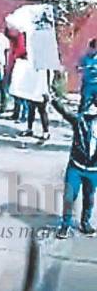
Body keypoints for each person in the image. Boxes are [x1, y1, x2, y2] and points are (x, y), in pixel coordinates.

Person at [52, 98, 97, 239]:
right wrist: (54, 100)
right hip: (76, 166)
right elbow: (65, 112)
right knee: (69, 196)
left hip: (94, 170)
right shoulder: (82, 120)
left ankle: (85, 223)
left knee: (89, 197)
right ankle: (65, 225)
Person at [78, 38, 97, 113]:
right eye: (94, 48)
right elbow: (78, 68)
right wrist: (84, 68)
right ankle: (78, 120)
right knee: (84, 103)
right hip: (87, 83)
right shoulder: (84, 58)